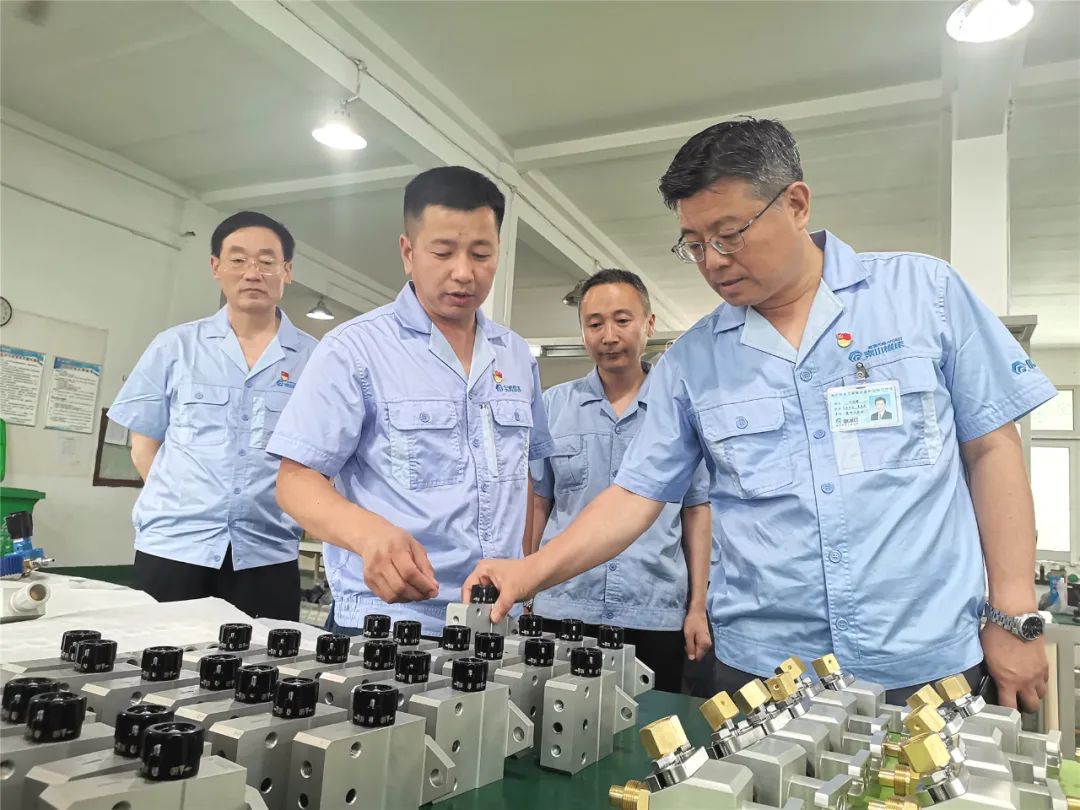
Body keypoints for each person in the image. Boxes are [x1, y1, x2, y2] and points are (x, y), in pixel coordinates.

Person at [464, 118, 1057, 709]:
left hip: (924, 659)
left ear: (795, 204)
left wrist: (1015, 614)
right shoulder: (693, 360)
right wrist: (530, 572)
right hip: (762, 671)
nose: (713, 261)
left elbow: (991, 450)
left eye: (729, 235)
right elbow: (634, 497)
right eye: (694, 244)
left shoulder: (923, 295)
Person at [268, 166, 552, 635]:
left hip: (493, 619)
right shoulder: (354, 349)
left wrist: (523, 573)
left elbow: (521, 474)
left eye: (481, 254)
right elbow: (295, 480)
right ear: (408, 252)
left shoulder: (516, 355)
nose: (464, 272)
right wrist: (369, 534)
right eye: (442, 252)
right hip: (389, 619)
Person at [108, 211, 318, 620]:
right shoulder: (175, 347)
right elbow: (143, 447)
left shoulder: (316, 359)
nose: (252, 272)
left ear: (287, 271)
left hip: (267, 551)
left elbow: (320, 458)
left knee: (264, 658)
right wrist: (188, 504)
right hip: (174, 547)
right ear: (216, 266)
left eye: (267, 261)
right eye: (238, 259)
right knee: (160, 655)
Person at [529, 268, 712, 693]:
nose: (609, 336)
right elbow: (538, 502)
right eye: (594, 324)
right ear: (582, 331)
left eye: (622, 320)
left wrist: (697, 606)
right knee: (554, 716)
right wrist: (528, 585)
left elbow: (696, 511)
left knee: (652, 725)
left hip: (653, 609)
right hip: (564, 603)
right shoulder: (553, 407)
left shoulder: (679, 411)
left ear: (649, 324)